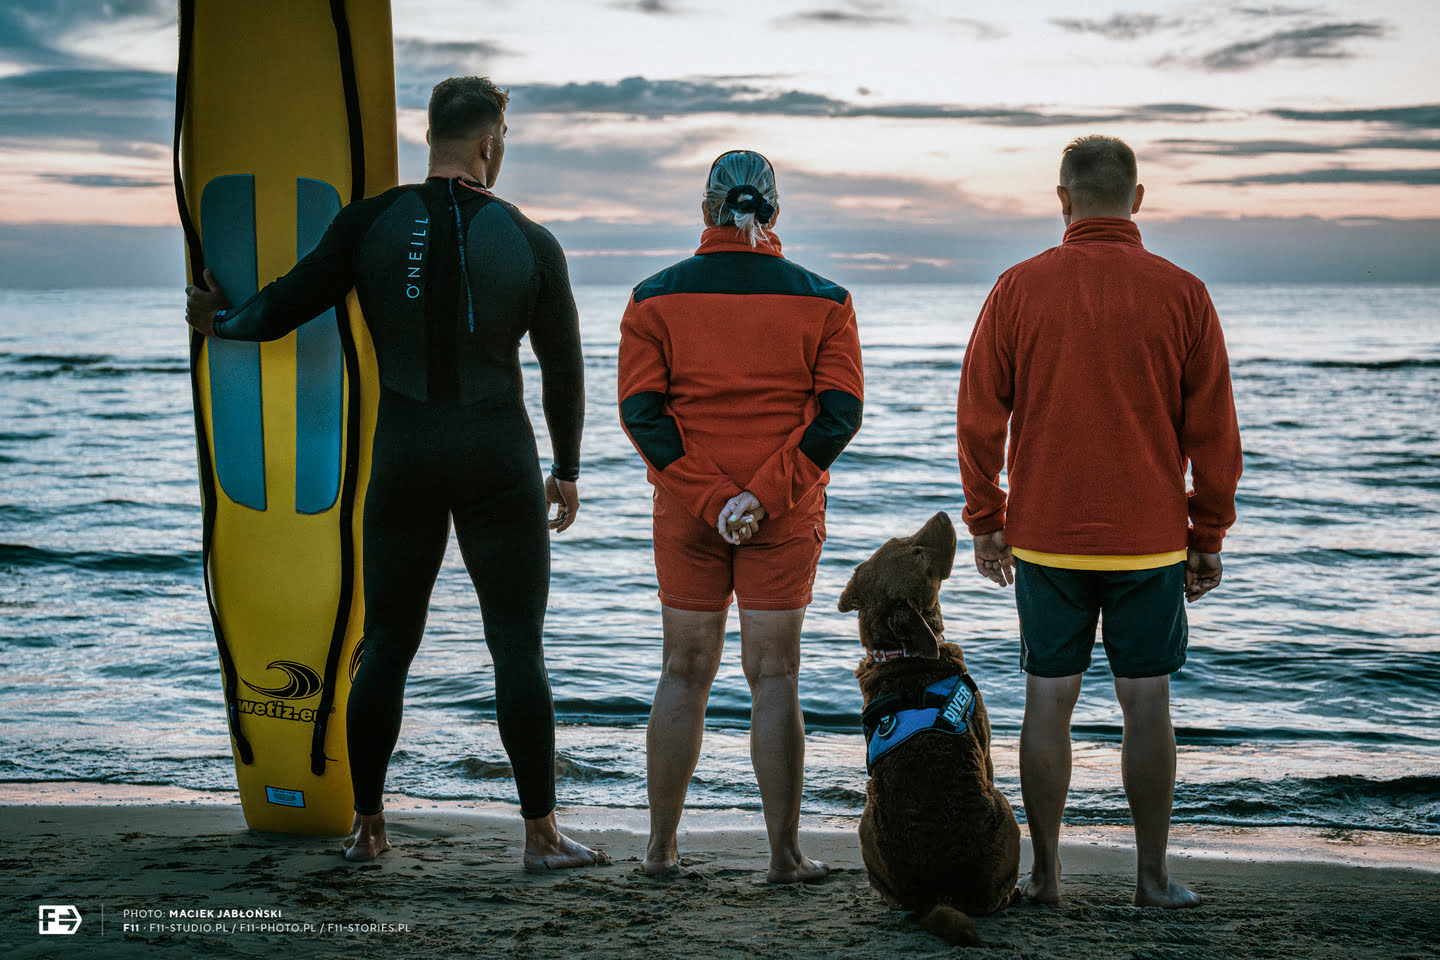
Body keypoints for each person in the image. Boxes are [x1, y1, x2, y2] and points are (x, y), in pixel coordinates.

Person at [184, 76, 605, 871]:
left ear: (434, 137)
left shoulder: (370, 223)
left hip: (404, 456)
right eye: (504, 138)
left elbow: (285, 305)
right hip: (497, 460)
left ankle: (369, 830)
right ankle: (542, 836)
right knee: (517, 649)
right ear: (490, 144)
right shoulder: (531, 241)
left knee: (386, 645)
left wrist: (220, 322)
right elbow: (564, 367)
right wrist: (568, 467)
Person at [955, 135, 1242, 908]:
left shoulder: (1017, 288)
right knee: (1146, 702)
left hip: (1045, 533)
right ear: (1138, 200)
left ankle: (1046, 877)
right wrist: (1207, 533)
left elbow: (978, 416)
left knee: (1049, 699)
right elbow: (1215, 432)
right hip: (1149, 537)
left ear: (1063, 199)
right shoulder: (1183, 293)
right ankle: (1150, 879)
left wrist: (986, 516)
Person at [618, 150, 864, 883]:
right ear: (775, 213)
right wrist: (761, 496)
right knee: (775, 676)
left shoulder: (651, 298)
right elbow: (838, 415)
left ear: (705, 211)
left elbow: (642, 414)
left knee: (682, 673)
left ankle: (660, 851)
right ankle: (784, 856)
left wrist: (714, 498)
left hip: (690, 511)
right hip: (780, 514)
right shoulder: (826, 299)